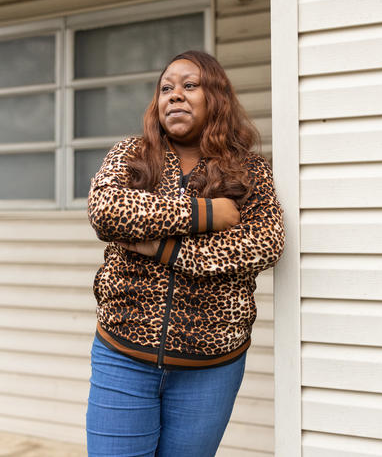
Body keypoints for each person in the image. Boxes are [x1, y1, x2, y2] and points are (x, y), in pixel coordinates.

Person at [85, 50, 284, 457]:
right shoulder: (133, 154)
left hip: (211, 367)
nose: (174, 95)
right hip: (123, 353)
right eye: (165, 89)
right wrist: (208, 213)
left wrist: (162, 248)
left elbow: (263, 242)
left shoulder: (249, 170)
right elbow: (107, 212)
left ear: (217, 98)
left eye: (189, 86)